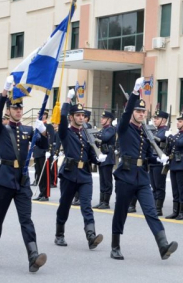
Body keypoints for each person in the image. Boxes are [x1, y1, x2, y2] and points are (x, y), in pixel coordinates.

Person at [110, 77, 177, 261]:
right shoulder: (124, 128)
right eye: (138, 111)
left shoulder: (146, 132)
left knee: (150, 211)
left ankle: (163, 245)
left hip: (141, 177)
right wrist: (134, 93)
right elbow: (125, 114)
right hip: (125, 175)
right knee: (121, 211)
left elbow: (148, 155)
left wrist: (160, 158)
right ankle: (115, 245)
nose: (141, 114)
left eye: (143, 111)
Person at [0, 76, 48, 272]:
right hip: (4, 179)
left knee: (26, 219)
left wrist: (44, 132)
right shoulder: (1, 129)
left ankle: (33, 256)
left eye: (20, 108)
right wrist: (3, 94)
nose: (19, 111)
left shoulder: (28, 130)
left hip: (22, 180)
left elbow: (44, 146)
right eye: (15, 108)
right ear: (8, 110)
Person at [54, 89, 107, 249]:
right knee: (65, 204)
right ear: (72, 117)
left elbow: (90, 154)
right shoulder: (66, 132)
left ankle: (91, 236)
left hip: (84, 174)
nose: (81, 118)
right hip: (70, 173)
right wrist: (67, 101)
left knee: (86, 205)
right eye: (77, 115)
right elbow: (62, 119)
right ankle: (59, 234)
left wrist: (98, 159)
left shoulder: (86, 134)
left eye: (82, 115)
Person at [93, 111, 117, 209]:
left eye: (104, 118)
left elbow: (104, 138)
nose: (101, 119)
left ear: (109, 120)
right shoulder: (103, 129)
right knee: (102, 180)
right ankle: (101, 201)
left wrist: (94, 134)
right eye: (102, 117)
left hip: (108, 157)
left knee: (107, 181)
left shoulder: (110, 129)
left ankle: (106, 202)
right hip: (101, 156)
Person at [149, 111, 170, 216]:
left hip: (160, 162)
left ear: (164, 120)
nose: (154, 120)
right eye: (154, 118)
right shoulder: (155, 131)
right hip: (152, 160)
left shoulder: (165, 131)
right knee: (153, 186)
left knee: (159, 186)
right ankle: (153, 206)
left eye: (157, 118)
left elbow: (159, 139)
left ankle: (158, 208)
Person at [33, 111, 51, 201]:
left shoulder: (48, 126)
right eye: (39, 114)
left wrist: (50, 150)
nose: (40, 116)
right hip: (37, 153)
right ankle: (41, 193)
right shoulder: (36, 127)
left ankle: (46, 194)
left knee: (45, 175)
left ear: (45, 116)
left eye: (43, 114)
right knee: (39, 174)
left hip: (44, 153)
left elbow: (50, 139)